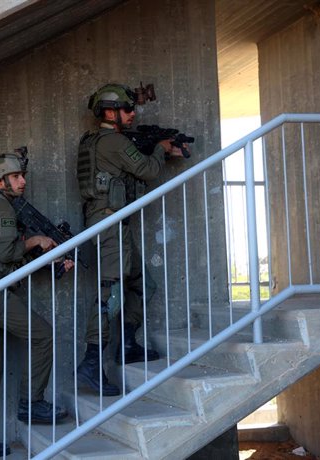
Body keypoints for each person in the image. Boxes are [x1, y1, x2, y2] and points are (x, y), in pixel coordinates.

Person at [76, 83, 188, 395]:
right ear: (109, 112)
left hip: (114, 223)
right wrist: (161, 149)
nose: (132, 113)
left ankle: (127, 345)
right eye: (126, 109)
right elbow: (147, 170)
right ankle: (91, 364)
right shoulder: (111, 141)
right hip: (108, 224)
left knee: (142, 285)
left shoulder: (99, 140)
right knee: (110, 296)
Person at [0, 151, 69, 460]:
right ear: (0, 181)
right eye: (17, 176)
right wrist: (37, 241)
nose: (23, 181)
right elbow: (7, 253)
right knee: (42, 334)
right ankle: (31, 403)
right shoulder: (1, 207)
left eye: (23, 176)